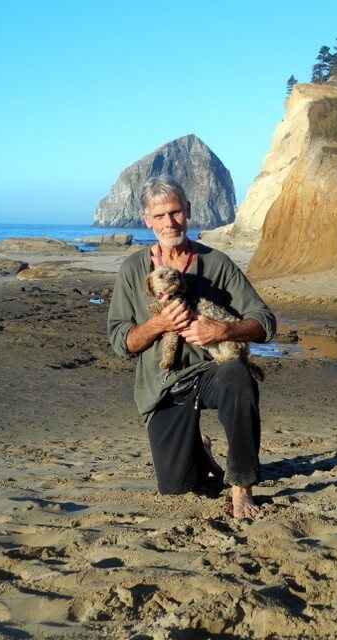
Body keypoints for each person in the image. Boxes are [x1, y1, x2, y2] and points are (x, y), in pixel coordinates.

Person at [107, 176, 276, 518]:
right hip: (162, 387)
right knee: (177, 486)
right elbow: (120, 342)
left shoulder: (217, 263)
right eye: (159, 216)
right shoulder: (133, 270)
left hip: (212, 371)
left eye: (175, 212)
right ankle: (201, 449)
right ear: (146, 220)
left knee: (237, 376)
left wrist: (222, 329)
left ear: (188, 211)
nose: (169, 223)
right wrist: (159, 324)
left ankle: (242, 486)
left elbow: (265, 323)